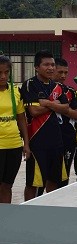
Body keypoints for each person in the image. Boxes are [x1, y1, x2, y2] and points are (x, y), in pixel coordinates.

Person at [20, 50, 69, 201]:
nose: (51, 68)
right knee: (34, 183)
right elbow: (34, 111)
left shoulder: (57, 86)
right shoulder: (30, 84)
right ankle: (29, 212)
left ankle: (49, 210)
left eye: (52, 64)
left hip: (56, 141)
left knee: (54, 180)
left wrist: (46, 103)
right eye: (46, 64)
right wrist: (55, 104)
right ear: (36, 67)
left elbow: (66, 107)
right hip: (37, 142)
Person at [0, 55, 30, 203]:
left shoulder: (15, 91)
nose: (3, 76)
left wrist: (26, 143)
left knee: (7, 184)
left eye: (6, 72)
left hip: (14, 145)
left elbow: (21, 118)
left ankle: (4, 218)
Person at [53, 58, 77, 187]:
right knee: (41, 180)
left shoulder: (70, 91)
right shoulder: (41, 89)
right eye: (60, 72)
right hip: (46, 138)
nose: (63, 76)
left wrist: (58, 107)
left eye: (66, 72)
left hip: (67, 138)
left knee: (63, 177)